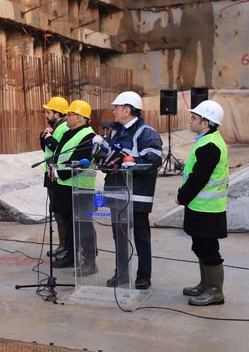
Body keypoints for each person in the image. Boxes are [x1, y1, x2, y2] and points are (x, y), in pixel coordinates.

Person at [104, 91, 163, 290]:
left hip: (136, 195)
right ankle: (121, 273)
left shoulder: (146, 133)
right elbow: (110, 157)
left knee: (141, 237)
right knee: (118, 236)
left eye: (117, 108)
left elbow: (153, 159)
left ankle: (143, 276)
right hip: (116, 192)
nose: (113, 111)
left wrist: (129, 161)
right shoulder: (115, 132)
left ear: (127, 110)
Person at [177, 100, 228, 306]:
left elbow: (199, 178)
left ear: (206, 122)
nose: (191, 120)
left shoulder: (210, 146)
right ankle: (205, 284)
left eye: (194, 118)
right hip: (200, 206)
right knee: (200, 246)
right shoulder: (206, 140)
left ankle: (215, 291)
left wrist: (182, 197)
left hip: (208, 208)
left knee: (208, 249)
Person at [50, 100, 97, 275]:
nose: (66, 117)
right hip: (64, 186)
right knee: (69, 225)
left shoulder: (89, 136)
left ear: (79, 117)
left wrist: (58, 173)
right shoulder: (68, 133)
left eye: (69, 114)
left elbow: (80, 160)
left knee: (83, 226)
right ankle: (71, 255)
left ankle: (90, 261)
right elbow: (59, 154)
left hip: (80, 187)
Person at [40, 96, 70, 257]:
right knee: (57, 212)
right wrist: (44, 137)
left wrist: (49, 139)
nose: (46, 115)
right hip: (51, 173)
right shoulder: (57, 127)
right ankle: (63, 244)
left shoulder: (64, 128)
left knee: (61, 213)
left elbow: (60, 150)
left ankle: (65, 245)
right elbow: (47, 150)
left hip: (59, 175)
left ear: (57, 114)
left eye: (48, 112)